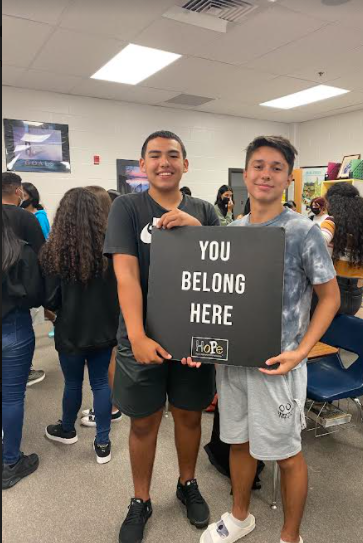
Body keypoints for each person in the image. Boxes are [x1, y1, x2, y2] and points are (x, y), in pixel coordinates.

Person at [195, 135, 340, 543]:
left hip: (279, 366)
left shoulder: (302, 231)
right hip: (236, 362)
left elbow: (330, 298)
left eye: (277, 167)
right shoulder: (235, 231)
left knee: (287, 455)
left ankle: (289, 536)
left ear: (287, 178)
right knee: (238, 443)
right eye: (259, 165)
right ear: (246, 173)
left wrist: (300, 352)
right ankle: (240, 516)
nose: (266, 174)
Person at [104, 130, 219, 543]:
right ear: (143, 165)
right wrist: (135, 335)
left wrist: (197, 230)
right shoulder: (127, 208)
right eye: (155, 155)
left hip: (192, 339)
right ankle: (140, 499)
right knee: (144, 422)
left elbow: (220, 277)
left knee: (189, 415)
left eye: (173, 155)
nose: (164, 162)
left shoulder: (205, 210)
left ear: (185, 164)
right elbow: (126, 275)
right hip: (143, 340)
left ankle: (187, 483)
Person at [41, 188, 120, 465]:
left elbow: (50, 300)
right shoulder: (112, 250)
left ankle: (67, 429)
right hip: (104, 329)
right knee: (100, 382)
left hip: (70, 330)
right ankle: (103, 443)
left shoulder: (52, 252)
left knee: (72, 382)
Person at [2, 209, 44, 489]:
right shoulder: (21, 251)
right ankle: (11, 462)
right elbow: (36, 294)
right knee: (12, 396)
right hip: (13, 327)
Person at [80, 185, 122, 428]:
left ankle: (112, 407)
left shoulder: (106, 238)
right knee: (108, 359)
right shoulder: (107, 234)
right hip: (110, 307)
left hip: (109, 309)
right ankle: (108, 405)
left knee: (109, 360)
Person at [2, 172, 46, 386]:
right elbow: (42, 257)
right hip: (16, 300)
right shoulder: (26, 218)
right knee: (13, 395)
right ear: (18, 191)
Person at [320, 182, 363, 315]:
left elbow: (317, 242)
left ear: (334, 202)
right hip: (356, 296)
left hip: (332, 293)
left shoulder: (332, 222)